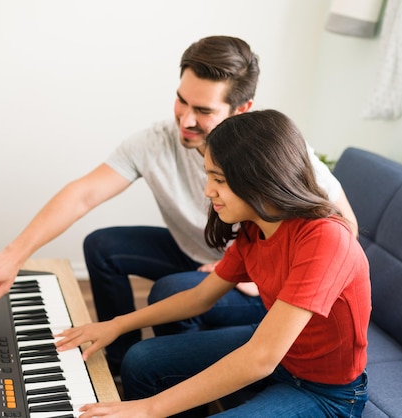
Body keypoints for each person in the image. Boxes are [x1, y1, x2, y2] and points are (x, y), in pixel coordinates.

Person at [0, 36, 358, 374]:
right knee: (103, 246)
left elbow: (344, 229)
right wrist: (13, 254)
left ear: (242, 110)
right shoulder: (156, 140)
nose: (184, 120)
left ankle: (175, 381)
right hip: (201, 254)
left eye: (203, 111)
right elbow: (83, 194)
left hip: (249, 277)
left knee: (169, 292)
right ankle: (114, 357)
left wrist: (262, 278)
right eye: (181, 101)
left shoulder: (274, 153)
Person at [55, 109, 371, 418]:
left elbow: (260, 358)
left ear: (259, 179)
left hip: (326, 392)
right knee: (140, 359)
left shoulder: (326, 239)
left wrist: (148, 408)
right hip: (282, 356)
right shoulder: (254, 228)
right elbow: (199, 297)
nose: (208, 191)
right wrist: (117, 324)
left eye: (217, 179)